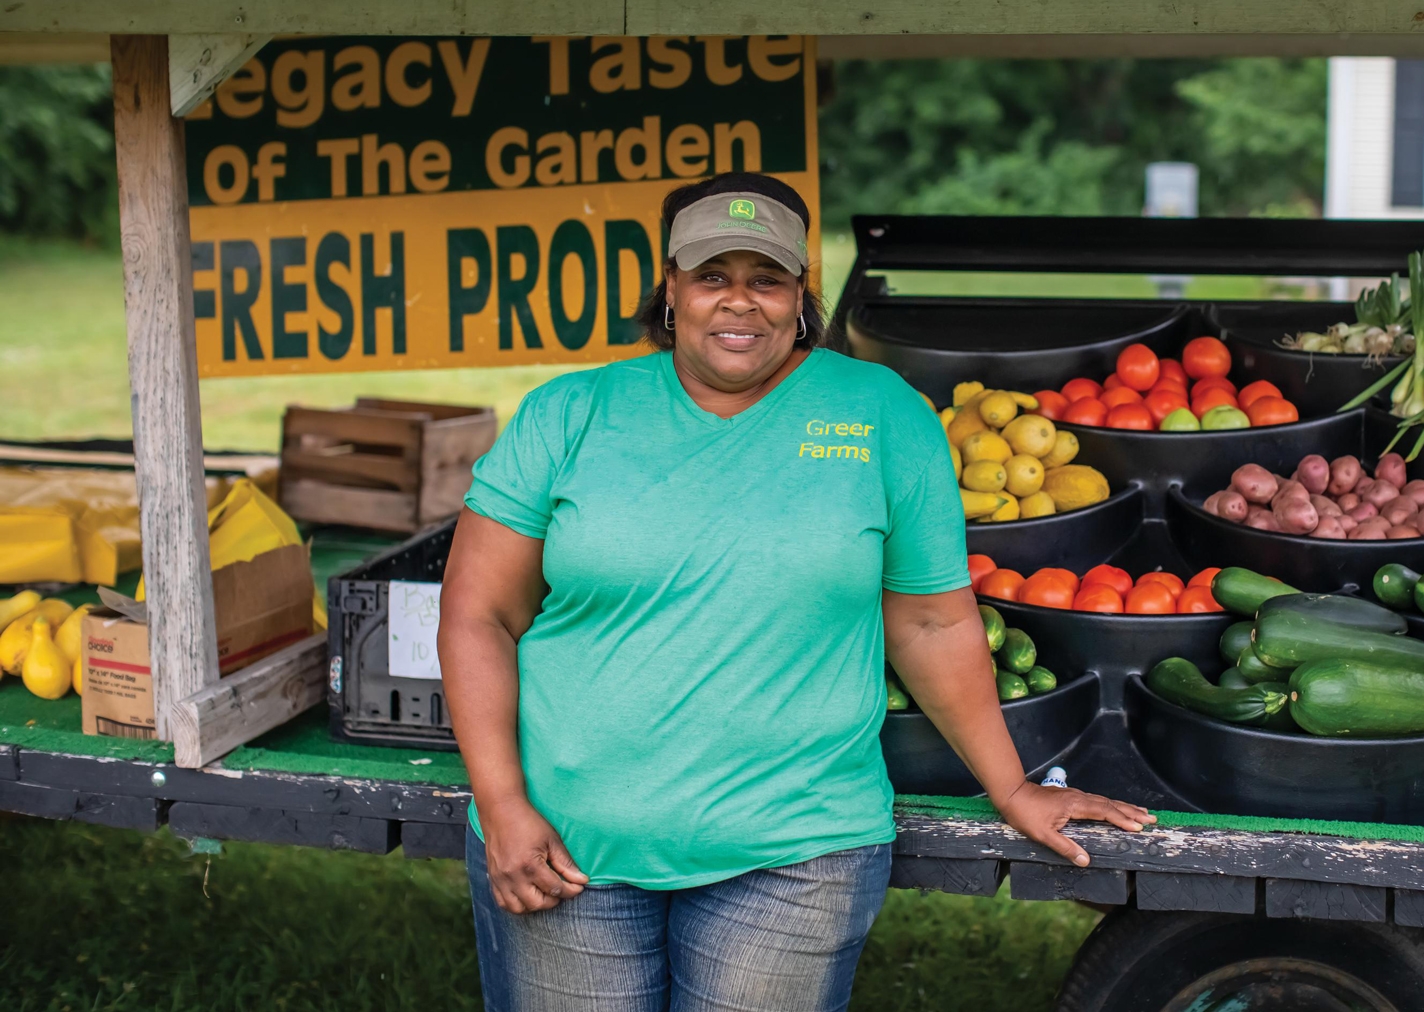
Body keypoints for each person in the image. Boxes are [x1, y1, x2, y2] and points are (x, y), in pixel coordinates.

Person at [438, 171, 1153, 1012]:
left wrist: (1013, 785)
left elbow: (929, 621)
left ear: (801, 294)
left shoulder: (883, 414)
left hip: (797, 852)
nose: (740, 303)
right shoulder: (571, 413)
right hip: (567, 843)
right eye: (713, 277)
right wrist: (504, 802)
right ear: (670, 287)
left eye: (766, 279)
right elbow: (478, 616)